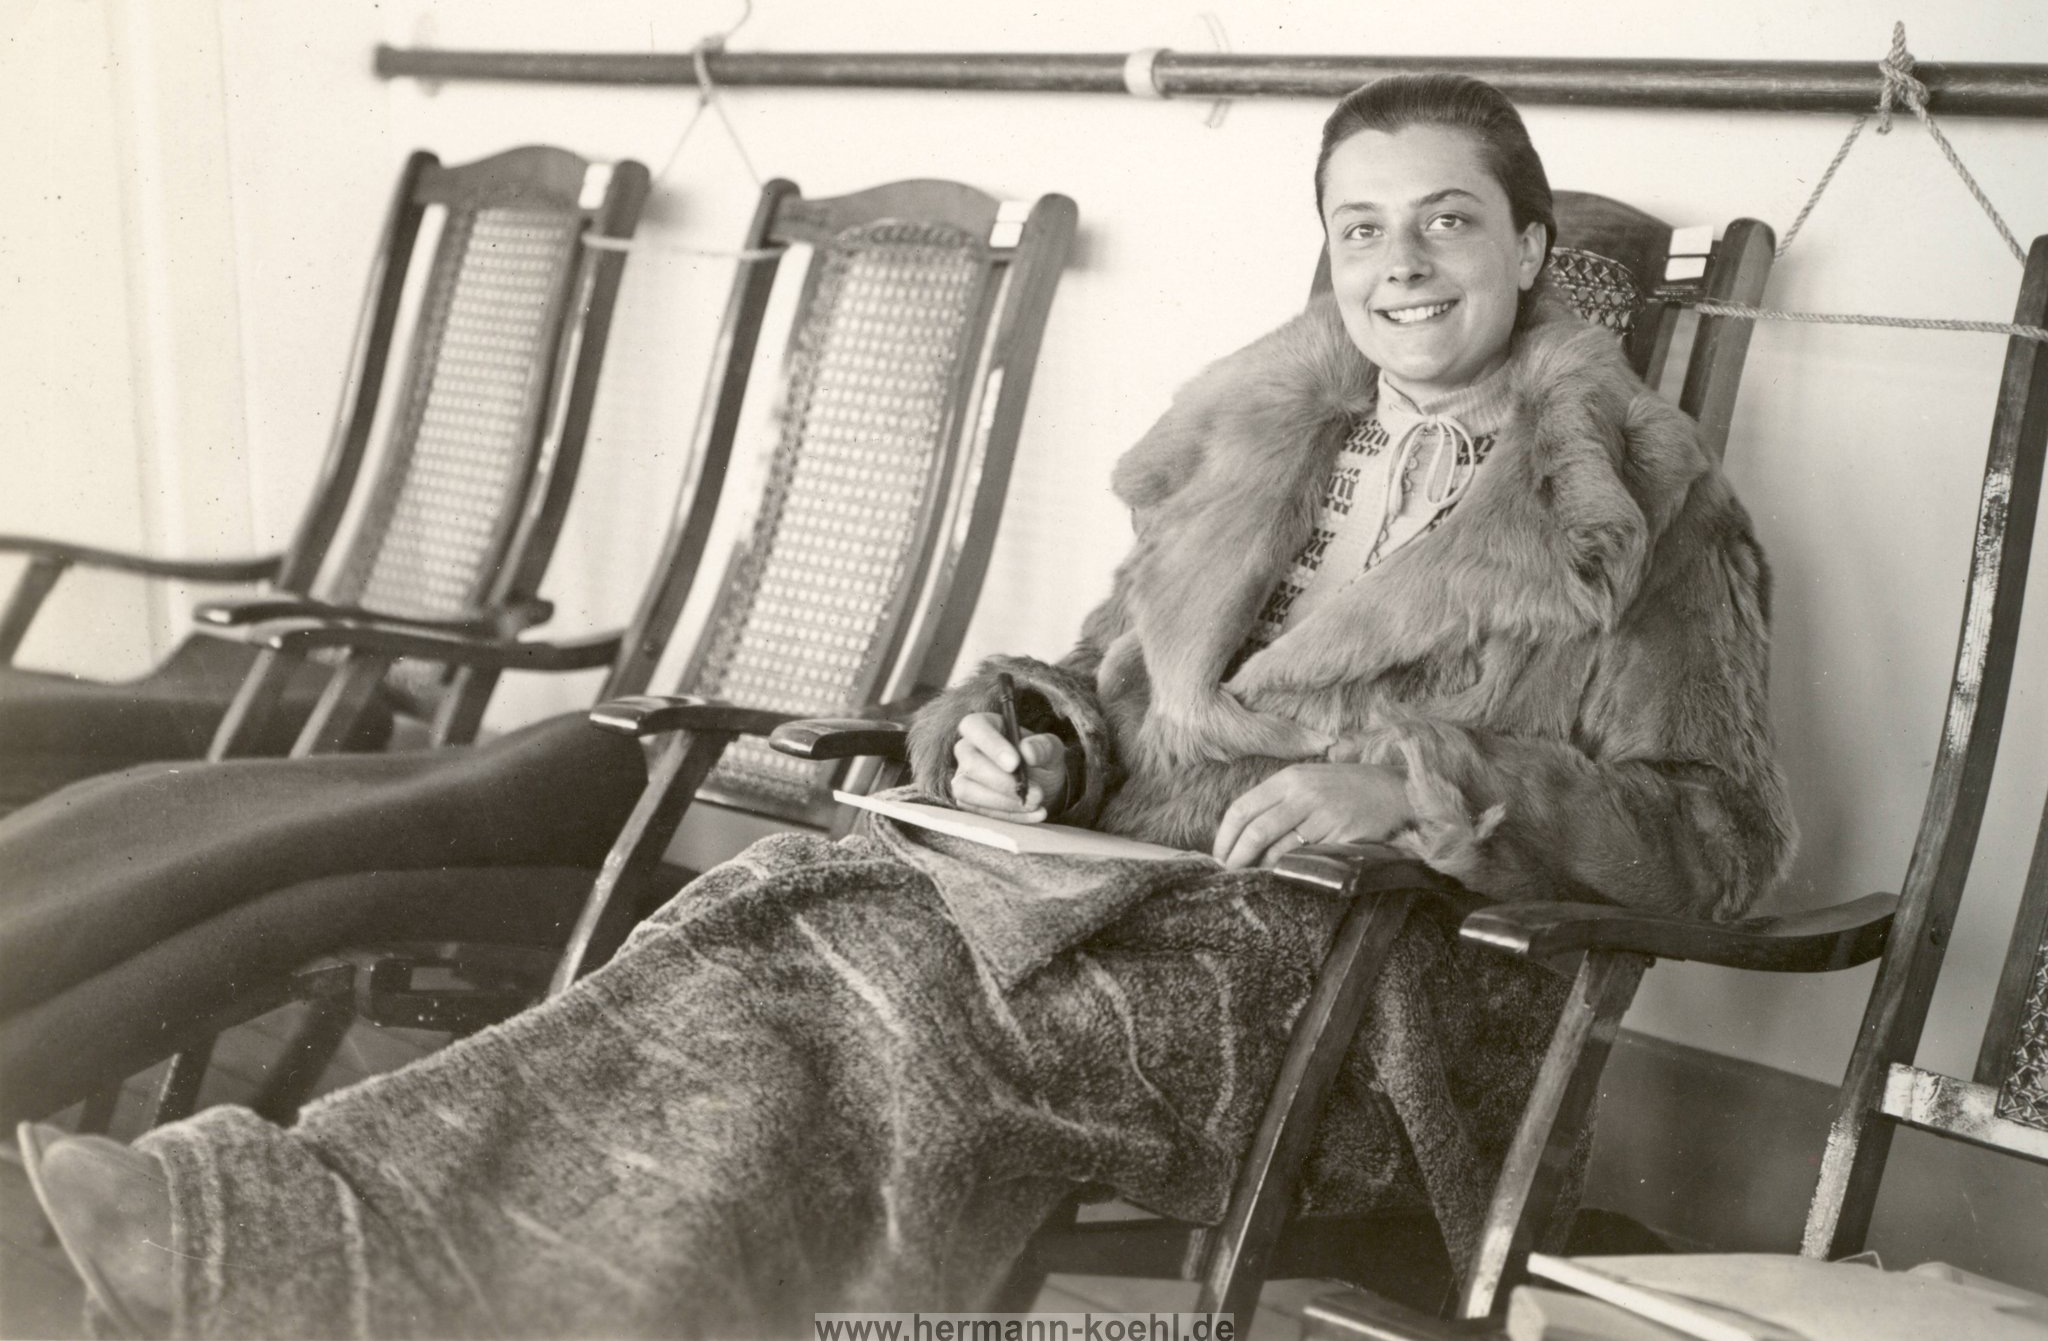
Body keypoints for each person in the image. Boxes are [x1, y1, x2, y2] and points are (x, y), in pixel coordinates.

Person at [19, 74, 1793, 1339]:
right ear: (1327, 257)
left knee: (867, 989)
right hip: (1119, 917)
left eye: (1447, 223)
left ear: (1530, 246)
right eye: (1362, 229)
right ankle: (291, 1232)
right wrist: (1029, 744)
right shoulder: (1261, 455)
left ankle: (282, 1248)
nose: (1403, 265)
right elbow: (1107, 686)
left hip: (1356, 1000)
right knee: (755, 928)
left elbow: (1717, 841)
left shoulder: (1639, 514)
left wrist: (1418, 789)